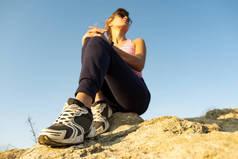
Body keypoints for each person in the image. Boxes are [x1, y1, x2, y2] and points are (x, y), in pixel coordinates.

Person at [38, 8, 151, 147]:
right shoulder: (102, 43)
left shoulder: (136, 42)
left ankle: (81, 112)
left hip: (135, 96)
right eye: (121, 15)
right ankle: (99, 108)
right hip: (112, 99)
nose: (126, 18)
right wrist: (88, 46)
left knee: (97, 42)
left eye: (128, 17)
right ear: (109, 22)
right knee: (90, 41)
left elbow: (139, 64)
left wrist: (107, 45)